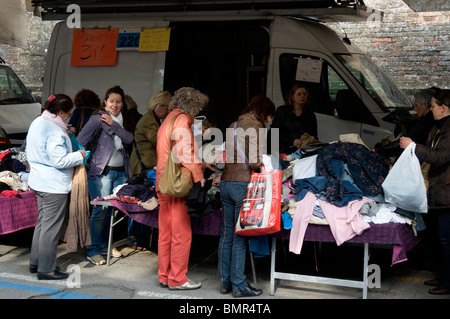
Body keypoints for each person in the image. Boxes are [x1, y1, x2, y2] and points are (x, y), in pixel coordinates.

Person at [219, 95, 275, 297]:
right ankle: (240, 285)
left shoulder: (234, 124)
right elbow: (253, 162)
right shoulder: (256, 126)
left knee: (226, 236)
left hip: (225, 182)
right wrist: (267, 162)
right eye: (269, 116)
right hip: (242, 184)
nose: (269, 120)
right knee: (240, 238)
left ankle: (225, 283)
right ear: (263, 111)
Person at [26, 94, 86, 280]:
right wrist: (80, 154)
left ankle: (35, 263)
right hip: (53, 185)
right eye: (67, 114)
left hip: (38, 181)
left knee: (42, 224)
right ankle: (47, 269)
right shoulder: (54, 130)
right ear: (60, 112)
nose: (68, 117)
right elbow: (59, 160)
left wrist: (65, 136)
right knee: (51, 229)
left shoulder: (38, 121)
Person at [155, 87, 209, 290]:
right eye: (198, 107)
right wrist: (198, 175)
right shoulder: (183, 120)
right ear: (192, 105)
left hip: (163, 181)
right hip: (177, 182)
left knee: (166, 232)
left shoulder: (168, 119)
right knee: (181, 233)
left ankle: (164, 275)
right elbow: (184, 151)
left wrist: (200, 163)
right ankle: (177, 278)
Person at [77, 85, 135, 266]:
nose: (115, 105)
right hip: (101, 172)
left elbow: (129, 139)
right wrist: (86, 162)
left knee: (111, 210)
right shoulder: (97, 119)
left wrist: (114, 124)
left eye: (118, 102)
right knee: (99, 211)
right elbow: (80, 141)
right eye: (111, 101)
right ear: (105, 102)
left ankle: (104, 245)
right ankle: (93, 250)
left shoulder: (122, 120)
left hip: (120, 172)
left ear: (122, 103)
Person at [399, 88, 450, 295]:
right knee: (440, 238)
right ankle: (442, 276)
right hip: (438, 191)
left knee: (447, 239)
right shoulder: (438, 127)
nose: (432, 110)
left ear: (443, 107)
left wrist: (413, 146)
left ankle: (447, 283)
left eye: (434, 106)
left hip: (446, 192)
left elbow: (440, 156)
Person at [130, 91, 171, 175]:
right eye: (168, 108)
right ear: (159, 105)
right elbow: (157, 140)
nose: (168, 112)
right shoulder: (149, 120)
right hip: (143, 166)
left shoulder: (151, 118)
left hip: (145, 164)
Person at [270, 82, 318, 154]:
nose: (302, 96)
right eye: (299, 94)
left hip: (304, 151)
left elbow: (314, 136)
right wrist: (292, 141)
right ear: (292, 96)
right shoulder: (282, 111)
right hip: (283, 150)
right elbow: (274, 133)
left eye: (304, 94)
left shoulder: (310, 114)